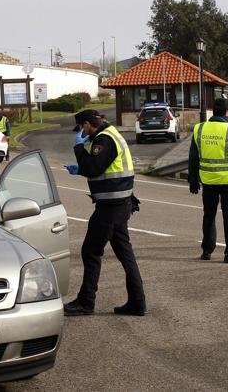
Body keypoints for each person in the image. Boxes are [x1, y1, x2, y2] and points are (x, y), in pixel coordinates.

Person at [63, 109, 146, 316]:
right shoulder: (110, 134)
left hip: (111, 207)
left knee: (90, 251)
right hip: (120, 204)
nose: (82, 132)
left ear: (88, 124)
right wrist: (80, 169)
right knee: (126, 255)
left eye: (82, 128)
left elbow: (94, 168)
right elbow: (99, 168)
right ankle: (137, 302)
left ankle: (86, 302)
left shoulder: (104, 139)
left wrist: (79, 147)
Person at [188, 97, 228, 263]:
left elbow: (193, 158)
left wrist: (193, 180)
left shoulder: (199, 129)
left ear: (213, 111)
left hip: (208, 181)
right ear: (226, 112)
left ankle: (207, 252)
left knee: (208, 215)